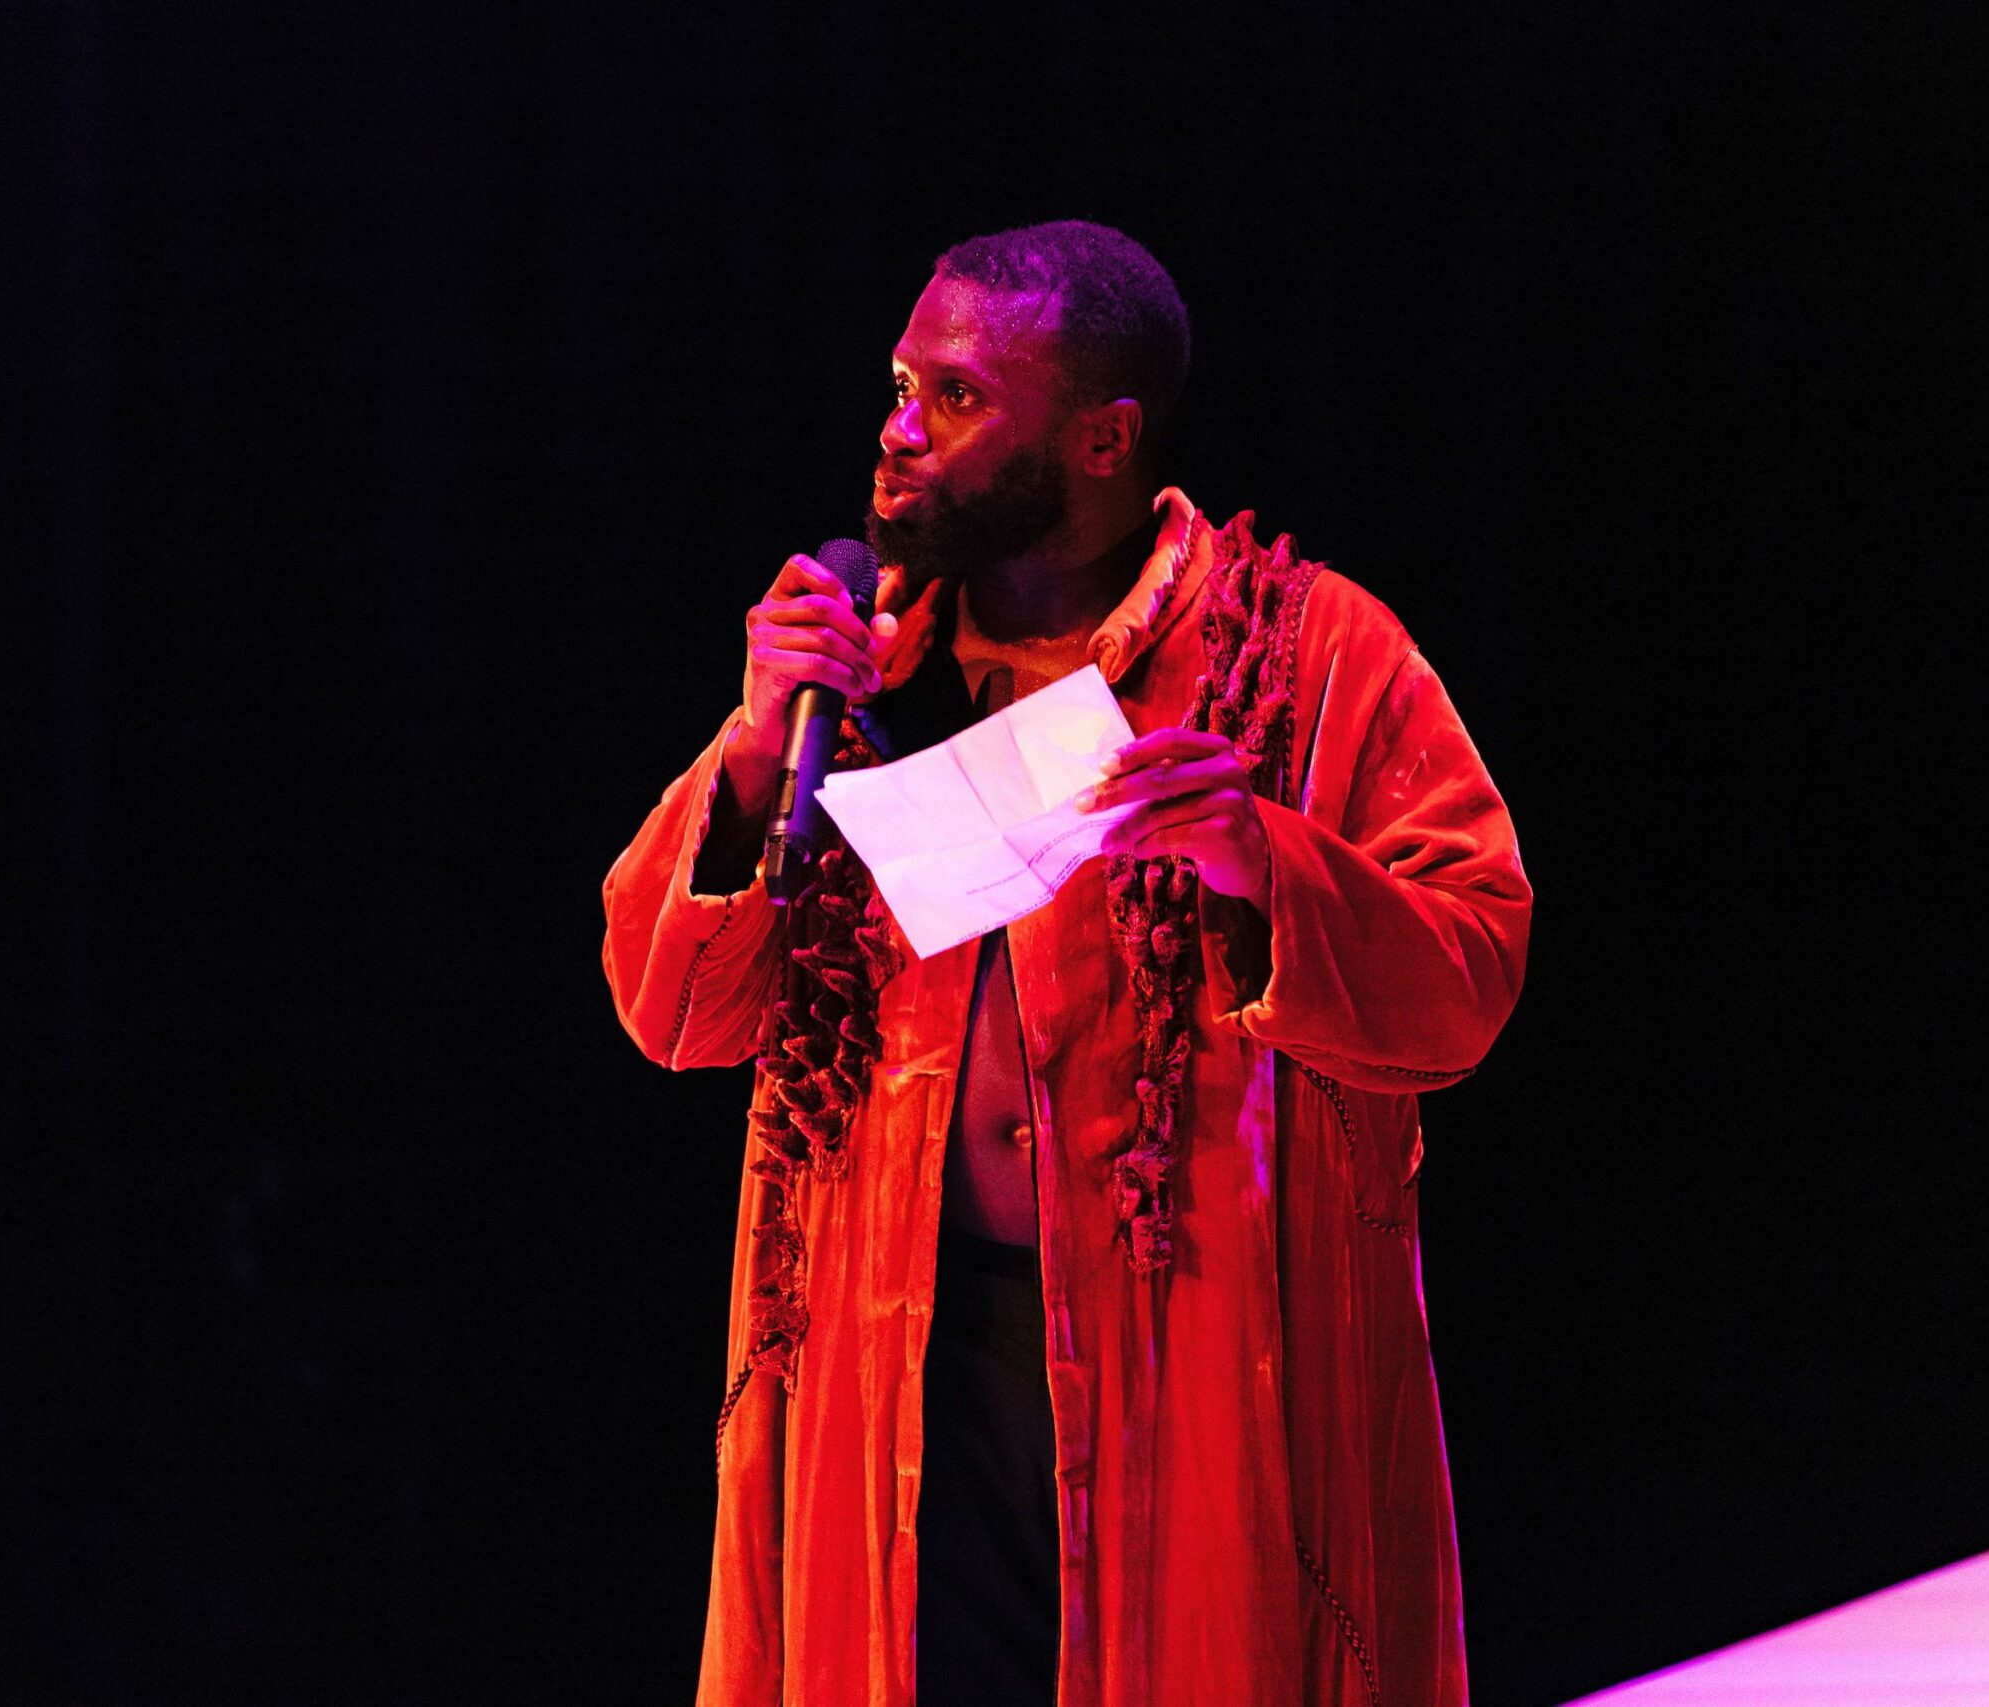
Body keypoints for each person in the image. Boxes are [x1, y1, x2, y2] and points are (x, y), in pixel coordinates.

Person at [602, 220, 1530, 1707]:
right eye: (901, 386)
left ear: (1105, 438)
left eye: (957, 397)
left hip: (1196, 1360)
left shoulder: (1305, 653)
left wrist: (1265, 860)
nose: (899, 432)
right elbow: (675, 1016)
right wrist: (755, 754)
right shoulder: (858, 674)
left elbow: (1472, 966)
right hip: (896, 1358)